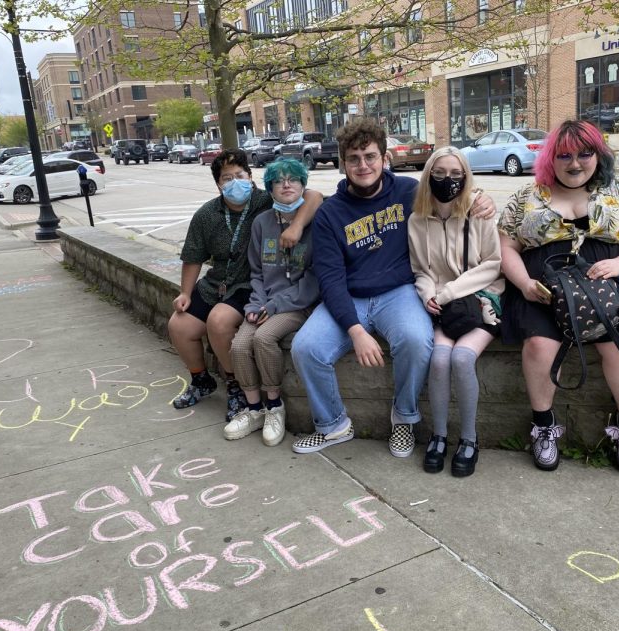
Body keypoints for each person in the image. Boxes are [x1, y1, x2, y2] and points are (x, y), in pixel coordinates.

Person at [290, 119, 496, 457]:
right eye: (354, 158)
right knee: (305, 347)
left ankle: (403, 418)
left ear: (384, 158)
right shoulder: (330, 214)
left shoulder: (407, 191)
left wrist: (480, 198)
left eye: (370, 156)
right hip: (350, 298)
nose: (363, 165)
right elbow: (330, 280)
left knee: (416, 341)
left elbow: (453, 192)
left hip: (399, 292)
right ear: (343, 162)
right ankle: (333, 425)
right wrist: (355, 331)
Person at [498, 120, 619, 473]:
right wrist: (524, 283)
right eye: (564, 155)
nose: (575, 164)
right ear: (550, 159)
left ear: (598, 155)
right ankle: (543, 426)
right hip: (543, 288)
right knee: (539, 345)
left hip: (608, 283)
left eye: (585, 154)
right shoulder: (526, 197)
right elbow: (506, 248)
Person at [169, 149, 321, 421]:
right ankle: (201, 380)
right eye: (227, 178)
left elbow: (312, 195)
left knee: (219, 322)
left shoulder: (265, 201)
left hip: (246, 286)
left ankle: (236, 386)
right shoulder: (207, 215)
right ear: (218, 184)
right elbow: (192, 256)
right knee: (179, 324)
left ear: (251, 177)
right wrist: (184, 292)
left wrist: (296, 225)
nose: (235, 182)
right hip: (215, 283)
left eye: (240, 175)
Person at [408, 147, 504, 477]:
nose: (447, 180)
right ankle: (438, 436)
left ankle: (469, 439)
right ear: (428, 175)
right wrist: (428, 294)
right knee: (438, 359)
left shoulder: (479, 213)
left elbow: (493, 264)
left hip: (479, 302)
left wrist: (449, 291)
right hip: (442, 306)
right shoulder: (417, 220)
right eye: (439, 172)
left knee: (462, 359)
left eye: (455, 173)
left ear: (465, 177)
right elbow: (420, 269)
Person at [224, 158, 320, 446]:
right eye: (279, 181)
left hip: (297, 304)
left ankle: (274, 406)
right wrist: (255, 305)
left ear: (303, 184)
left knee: (264, 338)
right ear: (270, 188)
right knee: (240, 345)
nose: (287, 185)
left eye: (293, 179)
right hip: (264, 302)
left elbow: (314, 280)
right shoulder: (262, 223)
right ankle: (254, 409)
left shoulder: (316, 220)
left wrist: (274, 306)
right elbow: (256, 272)